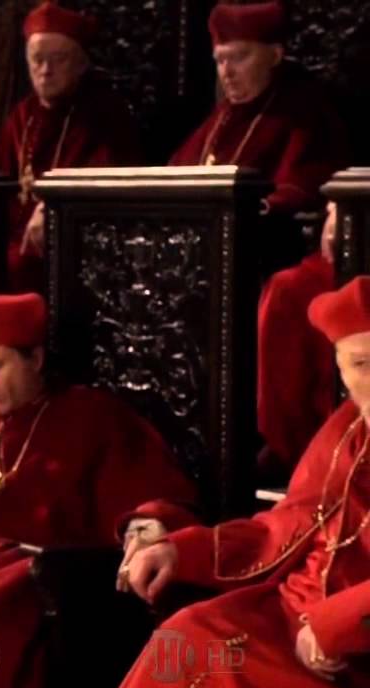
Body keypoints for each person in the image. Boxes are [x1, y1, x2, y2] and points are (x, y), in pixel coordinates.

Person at [0, 292, 199, 688]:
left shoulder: (88, 415)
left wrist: (147, 523)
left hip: (32, 584)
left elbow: (149, 493)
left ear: (35, 359)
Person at [107, 276, 370, 688]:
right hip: (292, 613)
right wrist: (180, 550)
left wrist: (336, 625)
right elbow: (284, 526)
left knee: (214, 665)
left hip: (350, 646)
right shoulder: (348, 426)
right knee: (187, 634)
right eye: (360, 364)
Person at [169, 1, 350, 474]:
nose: (227, 72)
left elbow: (305, 185)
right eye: (220, 61)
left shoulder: (304, 109)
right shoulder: (221, 118)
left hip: (266, 249)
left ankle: (269, 440)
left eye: (240, 57)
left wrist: (254, 207)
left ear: (275, 53)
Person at [0, 1, 142, 292]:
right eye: (37, 59)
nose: (46, 70)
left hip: (74, 248)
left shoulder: (105, 113)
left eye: (59, 59)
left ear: (81, 64)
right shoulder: (22, 116)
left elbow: (109, 181)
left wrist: (55, 209)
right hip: (15, 244)